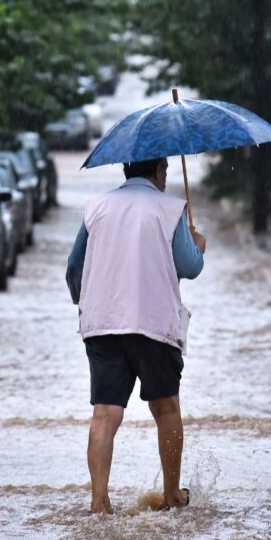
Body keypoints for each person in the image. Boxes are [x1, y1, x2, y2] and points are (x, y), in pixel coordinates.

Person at [66, 156, 206, 515]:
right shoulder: (171, 209)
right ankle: (172, 495)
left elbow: (73, 268)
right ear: (159, 171)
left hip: (103, 324)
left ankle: (99, 502)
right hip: (153, 323)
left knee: (105, 414)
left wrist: (87, 301)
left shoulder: (96, 207)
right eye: (165, 171)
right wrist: (198, 246)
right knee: (166, 408)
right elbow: (189, 267)